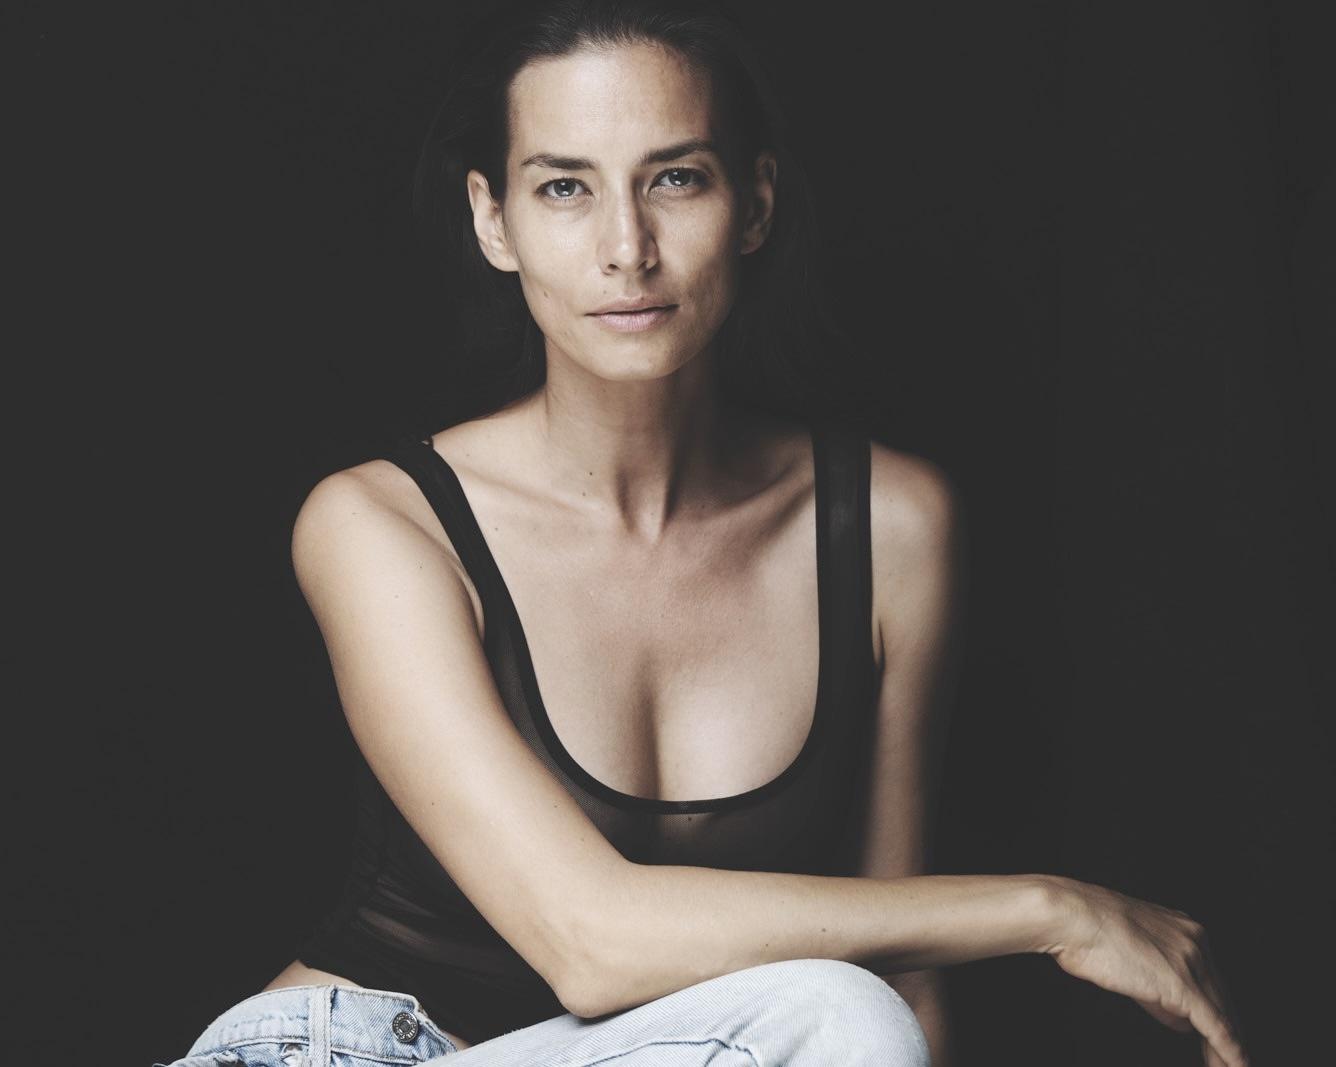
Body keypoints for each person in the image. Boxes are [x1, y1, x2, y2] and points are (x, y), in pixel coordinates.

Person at [159, 2, 1248, 1065]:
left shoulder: (891, 526)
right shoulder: (383, 522)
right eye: (564, 187)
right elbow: (588, 942)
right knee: (840, 1007)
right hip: (352, 1050)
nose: (626, 248)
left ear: (755, 203)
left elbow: (903, 968)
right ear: (494, 221)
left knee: (865, 1013)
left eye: (675, 178)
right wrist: (1054, 910)